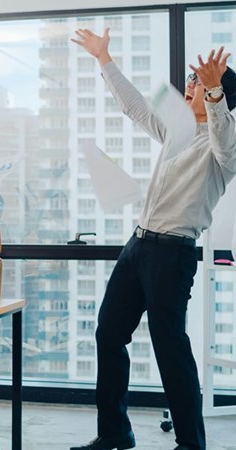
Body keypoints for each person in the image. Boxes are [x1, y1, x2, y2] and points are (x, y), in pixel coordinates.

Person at [71, 29, 236, 450]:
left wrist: (215, 92)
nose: (189, 86)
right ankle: (115, 433)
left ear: (217, 95)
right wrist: (103, 58)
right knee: (109, 333)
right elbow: (135, 107)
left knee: (170, 349)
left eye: (197, 82)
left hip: (172, 254)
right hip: (138, 246)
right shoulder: (177, 132)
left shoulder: (224, 146)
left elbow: (224, 139)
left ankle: (191, 443)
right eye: (193, 81)